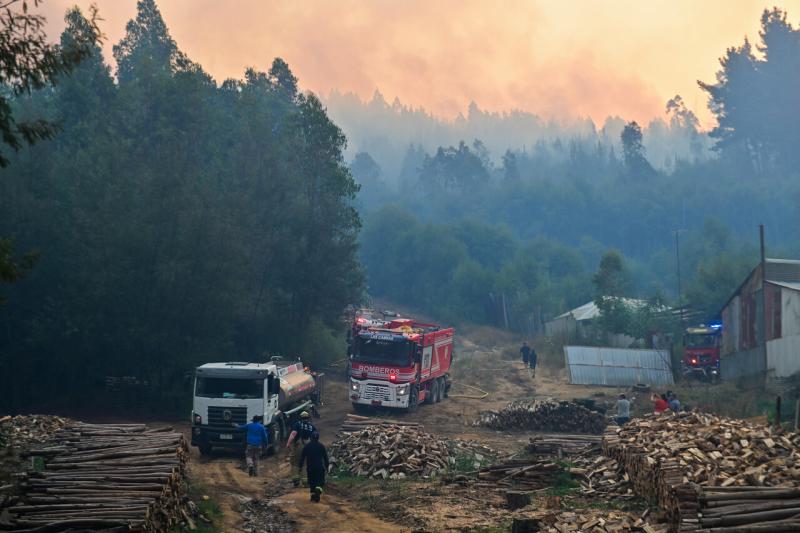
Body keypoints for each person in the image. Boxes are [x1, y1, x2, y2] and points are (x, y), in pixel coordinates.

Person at [286, 411, 316, 485]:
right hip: (309, 446)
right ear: (308, 418)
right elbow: (315, 437)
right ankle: (305, 481)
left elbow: (293, 434)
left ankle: (296, 481)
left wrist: (288, 443)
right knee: (305, 463)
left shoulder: (297, 424)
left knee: (296, 462)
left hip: (299, 445)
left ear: (300, 417)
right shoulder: (311, 426)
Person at [298, 431, 330, 502]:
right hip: (319, 467)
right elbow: (325, 457)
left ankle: (312, 496)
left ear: (311, 438)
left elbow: (302, 458)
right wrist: (327, 466)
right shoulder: (321, 446)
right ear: (318, 438)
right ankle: (318, 490)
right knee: (320, 481)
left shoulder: (307, 446)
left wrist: (300, 467)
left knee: (312, 482)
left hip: (310, 468)